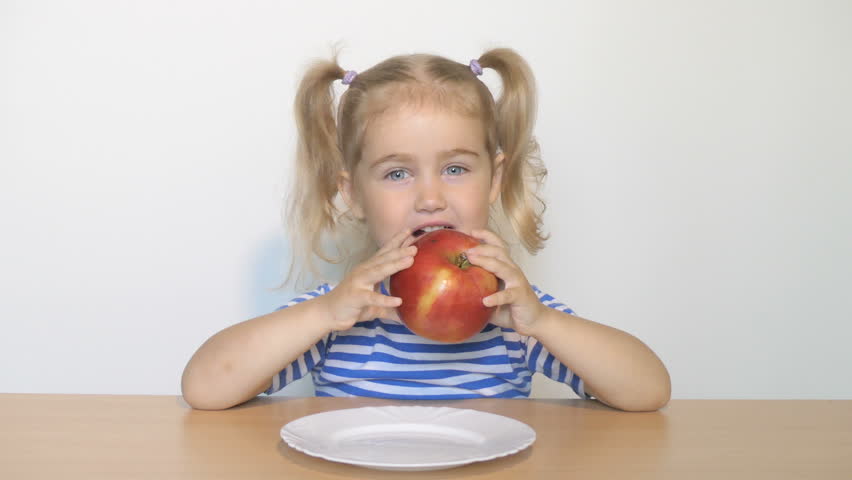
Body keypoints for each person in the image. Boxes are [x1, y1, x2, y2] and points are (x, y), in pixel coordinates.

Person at [181, 48, 671, 411]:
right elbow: (203, 388)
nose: (431, 197)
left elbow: (649, 391)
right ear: (352, 193)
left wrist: (542, 322)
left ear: (495, 179)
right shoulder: (341, 317)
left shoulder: (513, 319)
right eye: (398, 173)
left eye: (456, 168)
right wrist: (326, 312)